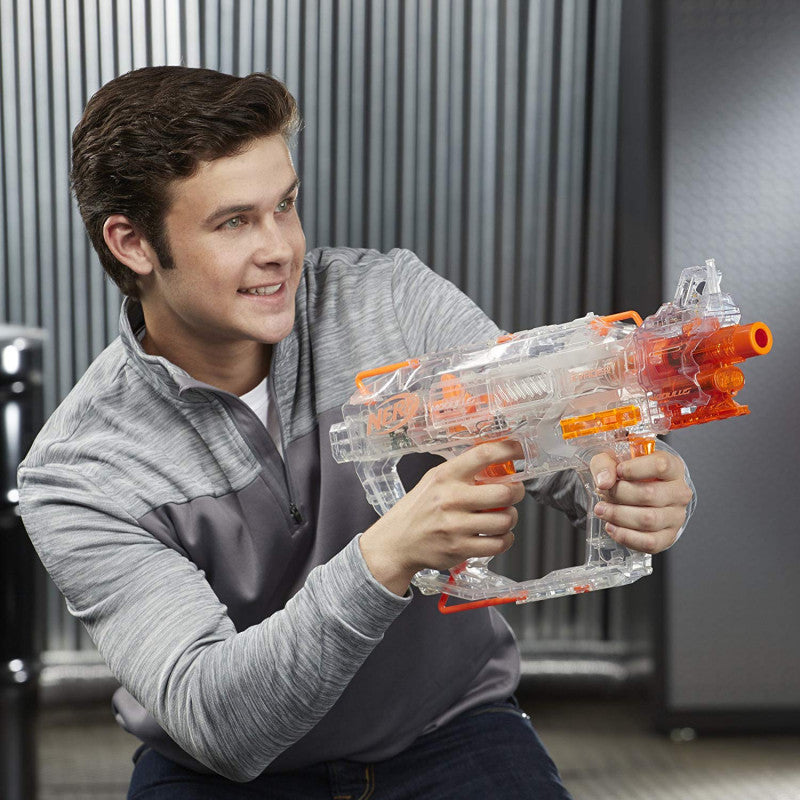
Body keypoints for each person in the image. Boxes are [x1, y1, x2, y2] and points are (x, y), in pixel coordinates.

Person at [18, 66, 694, 799]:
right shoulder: (79, 472)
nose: (280, 248)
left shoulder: (393, 302)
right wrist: (386, 555)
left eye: (285, 205)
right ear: (132, 243)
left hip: (447, 733)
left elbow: (547, 426)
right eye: (234, 221)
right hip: (221, 774)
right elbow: (221, 722)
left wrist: (623, 479)